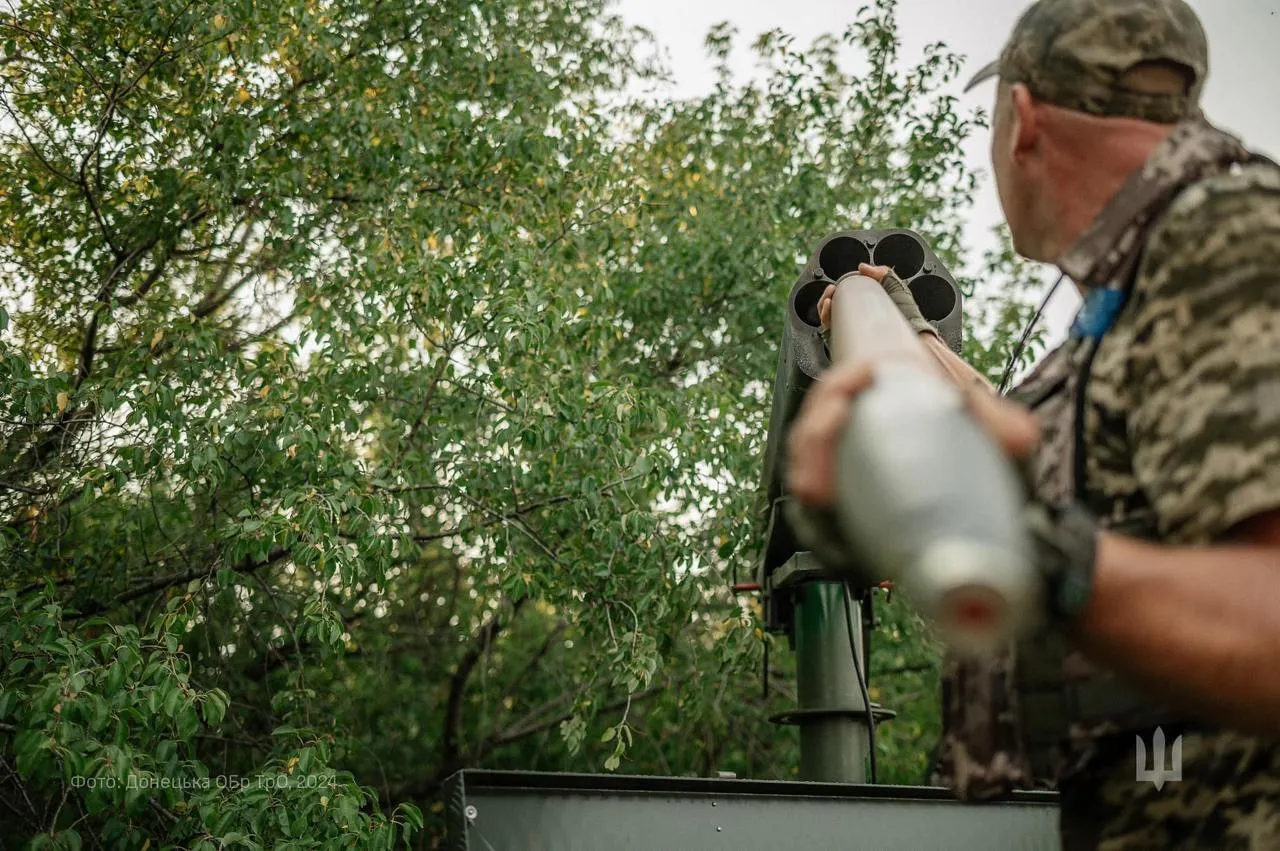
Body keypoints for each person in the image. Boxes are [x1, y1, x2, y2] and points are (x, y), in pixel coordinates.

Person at [784, 0, 1280, 848]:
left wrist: (1040, 558)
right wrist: (914, 345)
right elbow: (1049, 449)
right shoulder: (1150, 279)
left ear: (1019, 122)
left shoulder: (1225, 243)